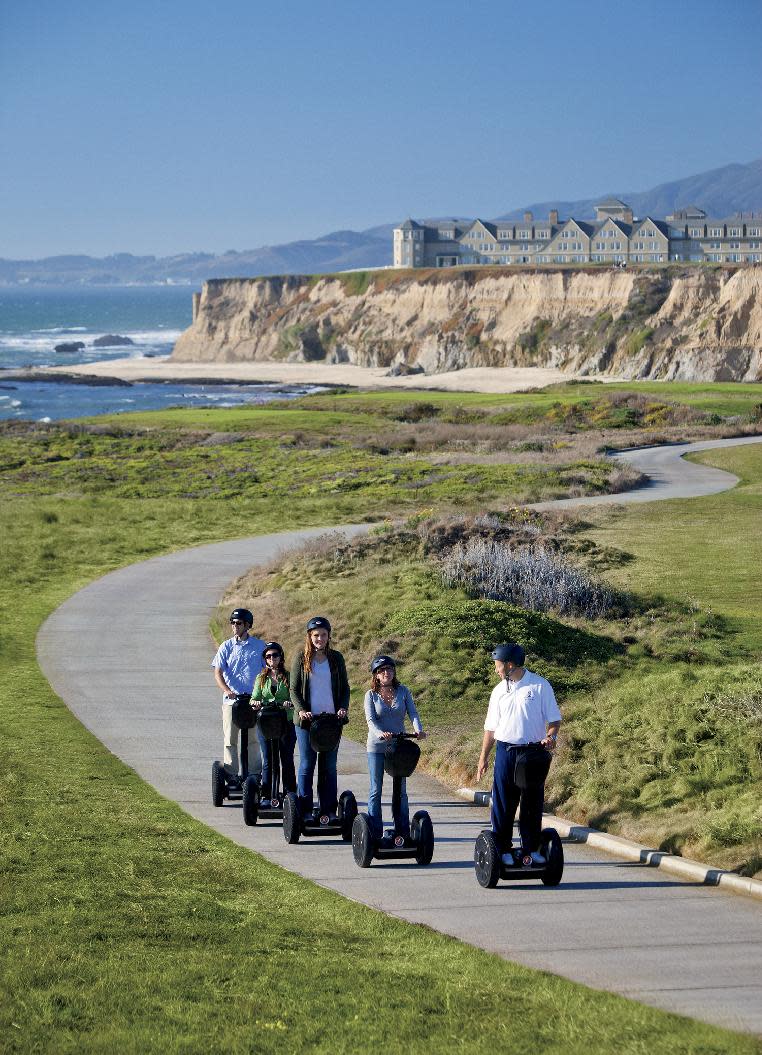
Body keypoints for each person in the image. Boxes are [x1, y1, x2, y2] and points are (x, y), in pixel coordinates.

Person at [476, 642, 561, 866]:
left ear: (510, 664)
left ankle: (531, 849)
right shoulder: (498, 692)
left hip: (532, 753)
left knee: (532, 802)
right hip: (505, 751)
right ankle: (502, 849)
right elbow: (491, 728)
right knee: (504, 802)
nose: (496, 670)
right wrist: (483, 757)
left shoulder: (540, 685)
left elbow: (554, 720)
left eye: (497, 665)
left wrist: (551, 738)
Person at [290, 616, 349, 817]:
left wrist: (343, 707)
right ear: (309, 636)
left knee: (329, 767)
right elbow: (294, 689)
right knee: (307, 764)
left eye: (323, 635)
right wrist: (300, 710)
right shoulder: (300, 659)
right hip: (307, 722)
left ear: (328, 636)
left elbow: (345, 688)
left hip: (331, 722)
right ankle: (305, 809)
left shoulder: (336, 658)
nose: (320, 639)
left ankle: (328, 810)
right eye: (316, 635)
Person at [363, 655, 425, 839]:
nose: (386, 673)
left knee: (401, 790)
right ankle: (374, 832)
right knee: (376, 789)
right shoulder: (370, 695)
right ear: (376, 675)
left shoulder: (403, 691)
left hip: (398, 746)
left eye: (389, 669)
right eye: (382, 671)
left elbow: (413, 713)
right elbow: (370, 720)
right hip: (377, 746)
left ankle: (402, 831)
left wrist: (418, 730)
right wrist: (380, 734)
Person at [212, 608, 265, 786]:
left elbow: (267, 672)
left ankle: (254, 775)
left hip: (253, 701)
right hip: (231, 702)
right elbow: (218, 672)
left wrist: (262, 694)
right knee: (230, 740)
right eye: (232, 623)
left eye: (239, 623)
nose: (235, 626)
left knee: (253, 739)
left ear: (248, 625)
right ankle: (232, 775)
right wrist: (227, 690)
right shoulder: (226, 646)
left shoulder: (259, 646)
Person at [252, 641, 296, 804]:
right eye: (268, 656)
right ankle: (267, 795)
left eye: (275, 655)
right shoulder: (261, 678)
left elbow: (295, 696)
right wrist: (255, 703)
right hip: (266, 722)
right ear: (265, 659)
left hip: (285, 722)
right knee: (269, 760)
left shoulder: (289, 676)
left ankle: (290, 795)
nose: (272, 659)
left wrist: (289, 702)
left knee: (286, 759)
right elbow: (254, 697)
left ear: (281, 657)